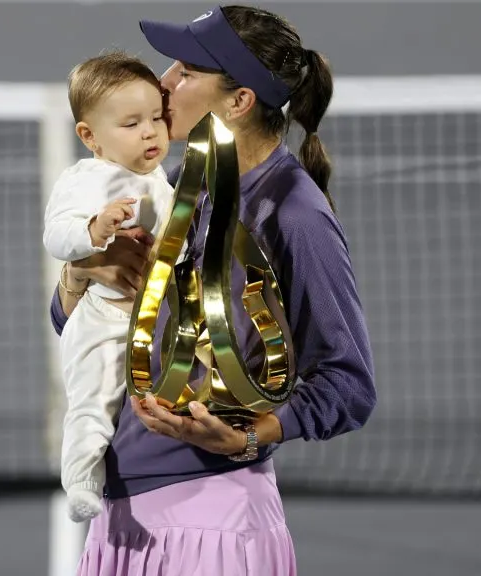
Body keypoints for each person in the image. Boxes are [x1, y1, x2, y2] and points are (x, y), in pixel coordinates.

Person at [49, 6, 377, 574]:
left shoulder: (295, 214)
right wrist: (79, 277)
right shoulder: (179, 186)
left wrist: (247, 439)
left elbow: (348, 385)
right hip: (123, 508)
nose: (162, 83)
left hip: (210, 518)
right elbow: (92, 326)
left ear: (238, 101)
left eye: (184, 71)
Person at [43, 52, 176, 523]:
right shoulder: (85, 179)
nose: (149, 132)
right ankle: (81, 480)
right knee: (93, 397)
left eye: (157, 118)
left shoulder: (161, 179)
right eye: (131, 123)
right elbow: (56, 234)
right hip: (102, 316)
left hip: (156, 321)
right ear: (89, 137)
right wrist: (94, 232)